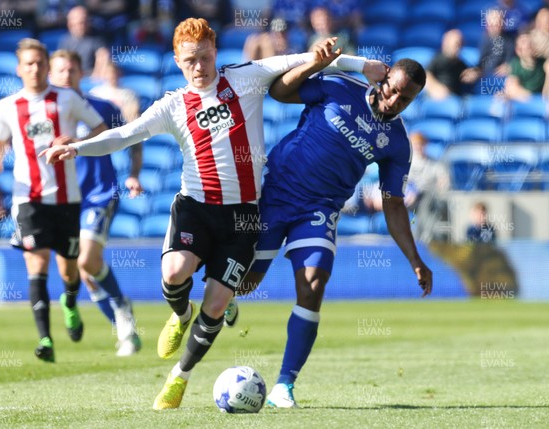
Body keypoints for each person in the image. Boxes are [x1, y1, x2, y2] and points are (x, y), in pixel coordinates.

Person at [40, 17, 386, 409]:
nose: (199, 68)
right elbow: (126, 134)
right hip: (195, 208)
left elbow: (310, 57)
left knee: (220, 303)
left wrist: (363, 66)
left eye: (204, 58)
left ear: (215, 52)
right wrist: (78, 147)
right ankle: (181, 312)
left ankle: (179, 378)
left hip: (243, 216)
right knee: (174, 272)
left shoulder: (246, 77)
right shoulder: (172, 106)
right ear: (176, 60)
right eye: (190, 61)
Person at [237, 56, 433, 408]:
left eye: (405, 99)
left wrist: (415, 259)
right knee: (246, 283)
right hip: (276, 193)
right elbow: (281, 91)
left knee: (313, 284)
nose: (394, 101)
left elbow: (392, 203)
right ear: (384, 78)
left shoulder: (397, 143)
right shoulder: (339, 86)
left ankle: (285, 384)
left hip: (320, 209)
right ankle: (218, 303)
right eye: (393, 91)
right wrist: (321, 63)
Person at [0, 38, 107, 363]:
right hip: (28, 198)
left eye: (40, 62)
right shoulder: (7, 106)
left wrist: (78, 142)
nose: (35, 68)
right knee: (36, 264)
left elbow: (101, 128)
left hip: (67, 200)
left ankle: (69, 302)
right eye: (29, 63)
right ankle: (45, 339)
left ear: (46, 65)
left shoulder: (66, 98)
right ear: (19, 69)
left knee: (68, 272)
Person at [48, 49, 143, 357]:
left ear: (80, 73)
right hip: (63, 200)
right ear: (52, 76)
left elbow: (135, 137)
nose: (66, 75)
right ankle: (124, 329)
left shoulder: (101, 107)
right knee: (81, 274)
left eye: (71, 70)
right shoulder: (46, 114)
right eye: (60, 71)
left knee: (88, 261)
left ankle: (123, 308)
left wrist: (134, 174)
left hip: (99, 194)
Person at [58, 6, 106, 74]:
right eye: (80, 23)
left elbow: (103, 56)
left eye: (86, 21)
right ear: (70, 24)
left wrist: (96, 76)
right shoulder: (65, 41)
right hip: (72, 75)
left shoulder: (97, 37)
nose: (84, 25)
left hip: (91, 75)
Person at [426, 29, 471, 99]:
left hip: (455, 99)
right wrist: (436, 88)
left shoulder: (460, 64)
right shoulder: (438, 59)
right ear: (446, 44)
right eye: (456, 44)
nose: (458, 48)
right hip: (437, 97)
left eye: (460, 44)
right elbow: (427, 75)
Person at [504, 33, 546, 102]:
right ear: (518, 50)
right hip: (525, 101)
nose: (529, 43)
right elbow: (512, 88)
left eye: (531, 42)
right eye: (524, 42)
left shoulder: (543, 63)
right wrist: (531, 97)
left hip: (542, 101)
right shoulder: (516, 64)